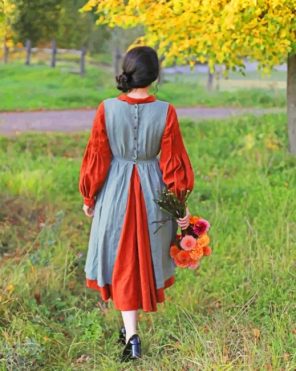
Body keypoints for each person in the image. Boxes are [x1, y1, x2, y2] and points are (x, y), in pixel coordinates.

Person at [78, 45, 195, 362]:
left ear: (128, 72)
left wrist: (90, 196)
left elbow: (98, 157)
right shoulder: (166, 111)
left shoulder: (106, 108)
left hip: (114, 192)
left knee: (121, 259)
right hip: (151, 194)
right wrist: (179, 205)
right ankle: (130, 332)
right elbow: (173, 163)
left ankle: (131, 336)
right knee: (137, 260)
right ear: (155, 76)